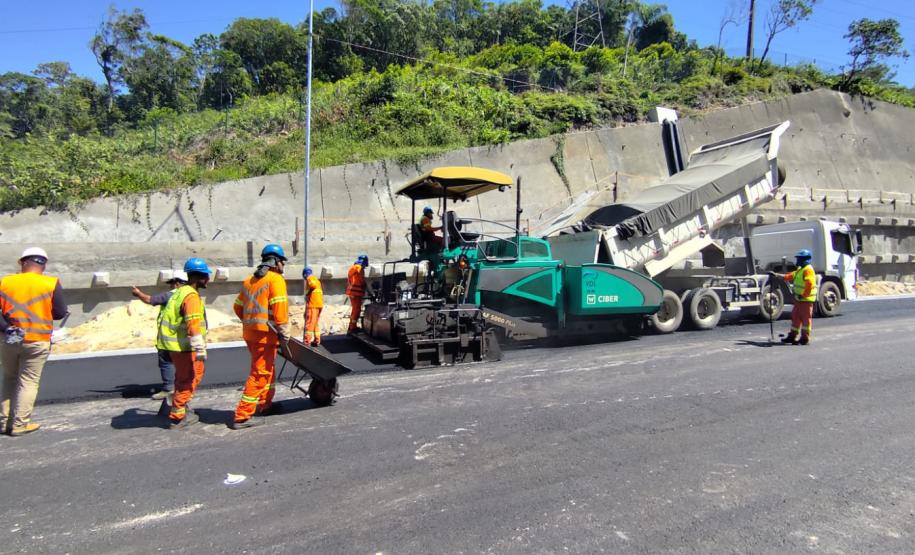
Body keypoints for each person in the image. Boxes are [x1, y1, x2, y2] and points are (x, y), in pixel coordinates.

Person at [0, 247, 68, 436]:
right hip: (37, 339)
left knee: (9, 378)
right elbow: (60, 312)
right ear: (43, 265)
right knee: (28, 381)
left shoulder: (5, 282)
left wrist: (7, 328)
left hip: (10, 338)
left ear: (23, 262)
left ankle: (4, 422)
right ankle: (20, 425)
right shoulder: (50, 283)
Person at [231, 244, 291, 430]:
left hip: (251, 333)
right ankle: (242, 415)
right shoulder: (276, 280)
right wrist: (284, 331)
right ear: (276, 261)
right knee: (260, 373)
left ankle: (265, 404)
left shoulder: (249, 280)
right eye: (283, 261)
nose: (283, 265)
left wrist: (251, 322)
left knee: (267, 368)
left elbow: (237, 307)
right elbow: (280, 308)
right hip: (266, 335)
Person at [157, 258, 210, 429]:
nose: (208, 279)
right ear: (199, 277)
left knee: (182, 377)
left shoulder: (179, 292)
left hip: (174, 346)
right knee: (190, 378)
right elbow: (193, 324)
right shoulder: (191, 297)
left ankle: (176, 405)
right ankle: (178, 416)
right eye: (206, 276)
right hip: (185, 347)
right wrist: (200, 348)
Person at [132, 271, 188, 400]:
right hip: (185, 338)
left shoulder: (171, 295)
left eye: (172, 283)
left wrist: (138, 293)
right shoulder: (191, 295)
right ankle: (184, 388)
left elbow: (150, 300)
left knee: (166, 362)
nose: (170, 286)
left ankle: (169, 389)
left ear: (177, 283)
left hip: (169, 338)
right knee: (184, 365)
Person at [780, 249, 818, 345]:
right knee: (795, 317)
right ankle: (792, 336)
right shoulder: (800, 269)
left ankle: (805, 338)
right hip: (799, 299)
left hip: (805, 300)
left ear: (805, 259)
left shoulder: (808, 270)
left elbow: (809, 284)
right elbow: (791, 276)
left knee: (805, 320)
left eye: (799, 259)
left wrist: (803, 295)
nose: (797, 261)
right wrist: (778, 276)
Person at [346, 255, 369, 334]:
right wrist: (365, 286)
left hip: (352, 292)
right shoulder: (359, 268)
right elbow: (361, 280)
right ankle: (353, 327)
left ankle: (351, 326)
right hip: (356, 292)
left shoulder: (353, 267)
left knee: (354, 310)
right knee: (357, 310)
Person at [304, 267, 323, 346]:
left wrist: (307, 293)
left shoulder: (310, 278)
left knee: (310, 323)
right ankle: (317, 340)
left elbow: (312, 285)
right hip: (319, 304)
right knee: (315, 323)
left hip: (313, 305)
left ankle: (306, 342)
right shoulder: (317, 280)